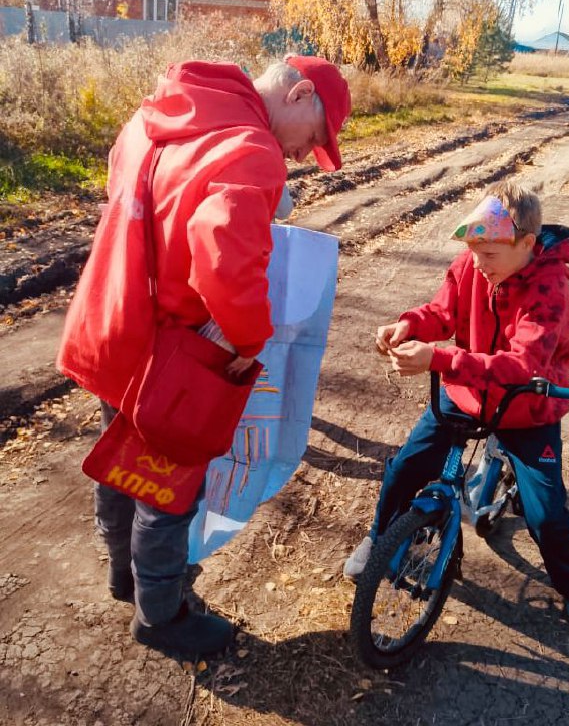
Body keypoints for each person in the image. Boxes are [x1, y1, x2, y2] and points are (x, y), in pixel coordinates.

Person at [58, 55, 351, 657]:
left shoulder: (154, 114)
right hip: (162, 348)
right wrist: (249, 340)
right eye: (313, 139)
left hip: (105, 320)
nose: (301, 155)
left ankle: (126, 578)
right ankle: (160, 617)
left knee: (119, 456)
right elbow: (223, 260)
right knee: (168, 486)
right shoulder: (252, 149)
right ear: (298, 94)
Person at [343, 182, 569, 634]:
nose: (477, 265)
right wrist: (409, 324)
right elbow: (442, 312)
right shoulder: (473, 262)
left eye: (488, 256)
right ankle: (381, 537)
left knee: (546, 514)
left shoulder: (549, 289)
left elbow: (524, 366)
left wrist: (439, 358)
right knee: (407, 466)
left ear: (526, 244)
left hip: (527, 408)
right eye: (473, 253)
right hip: (466, 393)